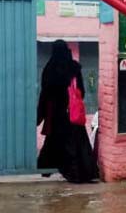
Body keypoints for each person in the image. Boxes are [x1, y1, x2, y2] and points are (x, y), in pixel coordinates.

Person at [37, 40, 99, 183]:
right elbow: (81, 92)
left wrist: (40, 114)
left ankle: (50, 169)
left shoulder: (49, 69)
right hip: (72, 113)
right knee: (77, 143)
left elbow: (45, 93)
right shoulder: (74, 68)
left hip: (56, 114)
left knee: (55, 142)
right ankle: (82, 173)